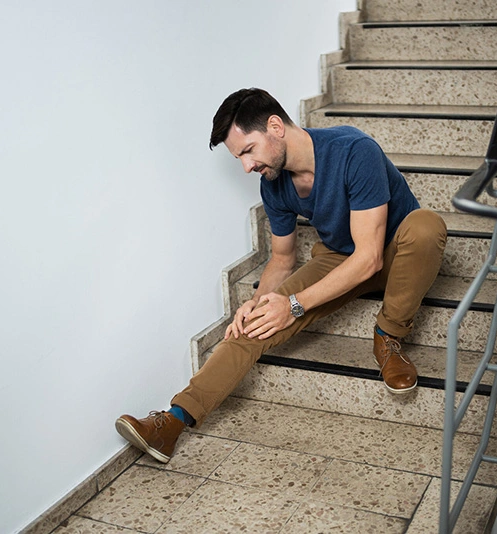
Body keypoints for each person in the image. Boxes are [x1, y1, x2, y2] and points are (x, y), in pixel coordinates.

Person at [115, 88, 447, 463]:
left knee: (426, 226)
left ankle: (388, 336)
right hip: (339, 258)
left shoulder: (354, 150)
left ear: (275, 126)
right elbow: (282, 258)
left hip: (394, 253)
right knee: (254, 322)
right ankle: (172, 423)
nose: (246, 166)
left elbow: (370, 258)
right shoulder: (274, 182)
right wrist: (256, 304)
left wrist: (294, 305)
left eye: (248, 150)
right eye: (239, 156)